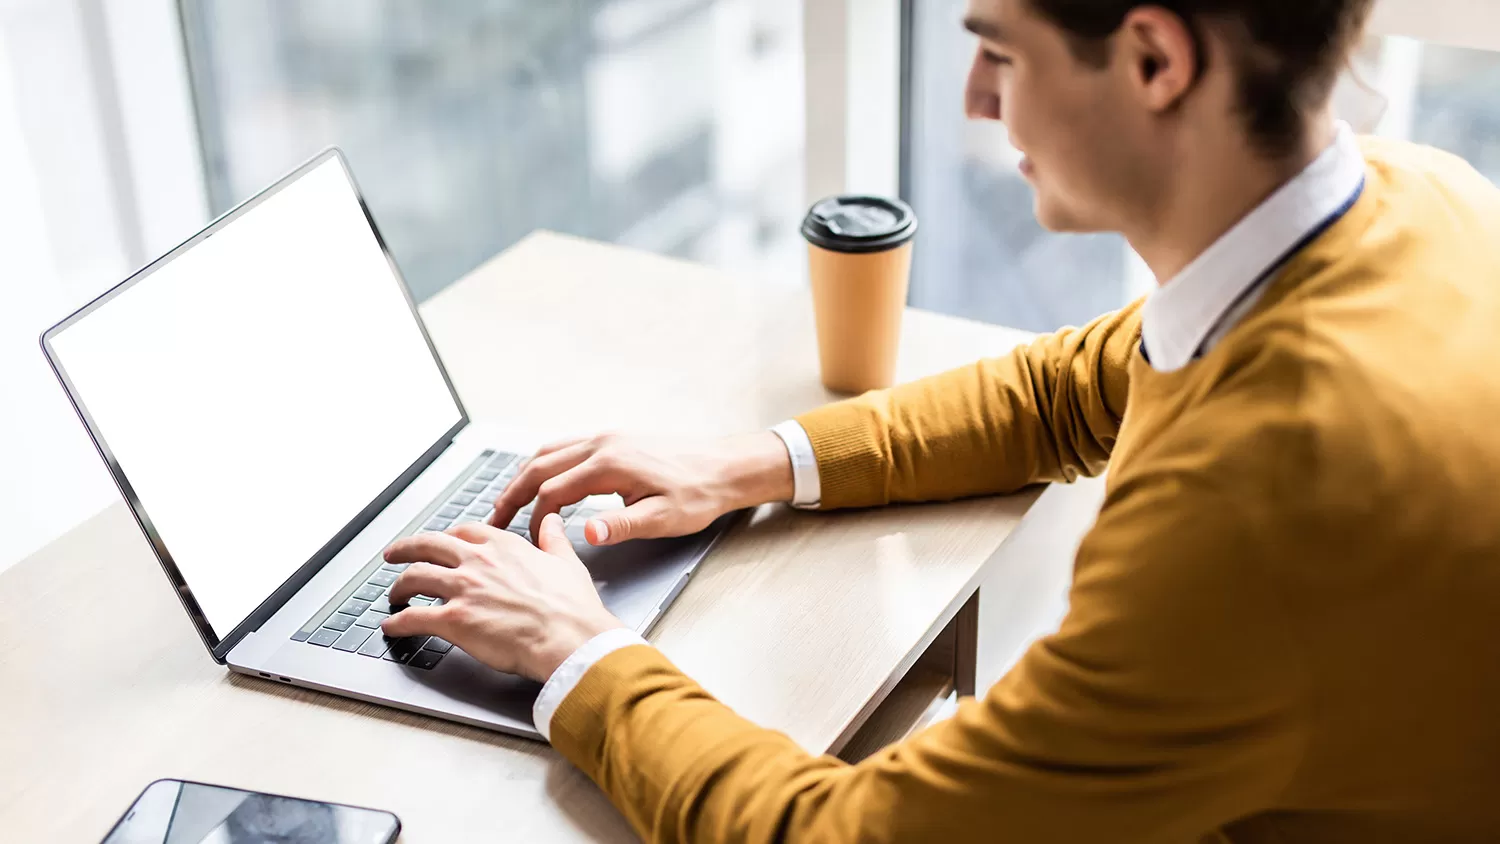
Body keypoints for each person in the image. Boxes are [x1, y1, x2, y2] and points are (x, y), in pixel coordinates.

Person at [379, 0, 1500, 839]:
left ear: (1157, 61)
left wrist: (578, 652)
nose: (973, 95)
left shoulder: (1253, 511)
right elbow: (1067, 389)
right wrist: (748, 463)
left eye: (1001, 51)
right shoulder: (1416, 202)